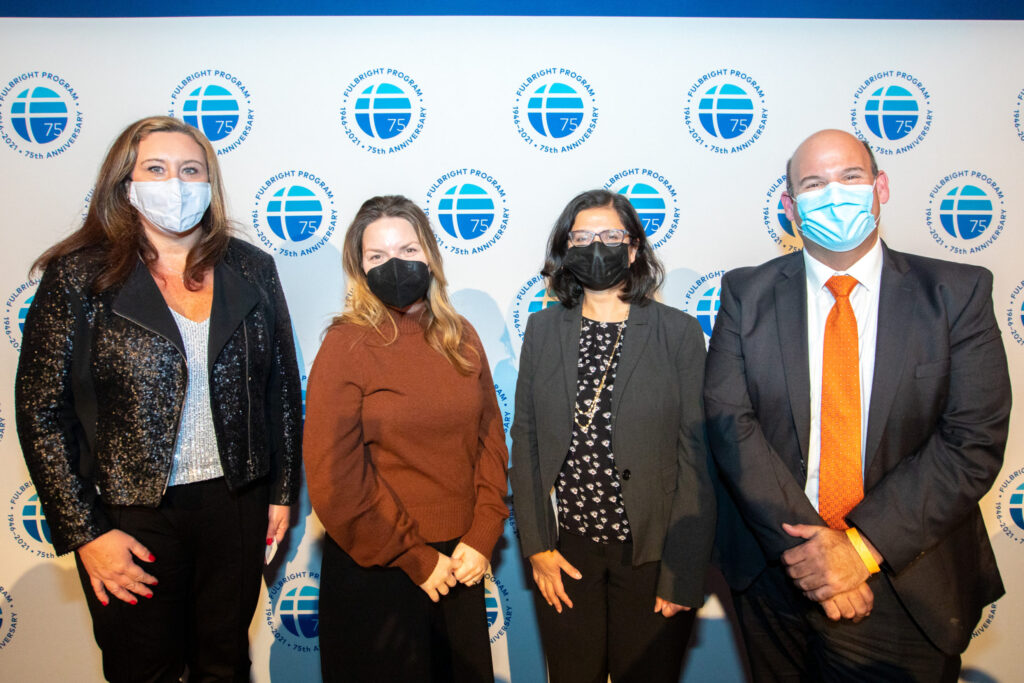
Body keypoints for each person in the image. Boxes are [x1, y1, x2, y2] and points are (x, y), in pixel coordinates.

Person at [704, 128, 1011, 681]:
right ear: (790, 207)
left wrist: (859, 549)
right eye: (814, 183)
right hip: (778, 574)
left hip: (904, 574)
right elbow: (731, 424)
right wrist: (815, 558)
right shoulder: (745, 294)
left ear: (881, 186)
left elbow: (972, 441)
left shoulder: (956, 294)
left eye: (850, 177)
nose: (834, 193)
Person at [15, 115, 303, 682]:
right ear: (126, 184)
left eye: (191, 170)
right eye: (157, 168)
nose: (176, 183)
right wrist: (87, 533)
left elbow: (282, 392)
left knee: (223, 665)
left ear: (210, 183)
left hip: (236, 506)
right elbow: (42, 413)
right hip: (131, 515)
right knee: (141, 669)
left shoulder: (253, 268)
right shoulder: (79, 277)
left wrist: (282, 491)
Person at [509, 189, 715, 683]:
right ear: (565, 248)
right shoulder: (541, 331)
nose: (594, 246)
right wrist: (537, 547)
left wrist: (683, 570)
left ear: (633, 249)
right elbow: (527, 442)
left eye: (609, 235)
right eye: (581, 236)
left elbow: (697, 457)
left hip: (653, 554)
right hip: (568, 552)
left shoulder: (680, 333)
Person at [303, 195, 509, 683]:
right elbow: (335, 477)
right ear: (359, 269)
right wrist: (413, 558)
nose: (395, 264)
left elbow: (490, 440)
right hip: (378, 570)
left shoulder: (462, 335)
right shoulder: (346, 344)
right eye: (377, 256)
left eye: (408, 249)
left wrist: (481, 534)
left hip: (460, 566)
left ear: (431, 256)